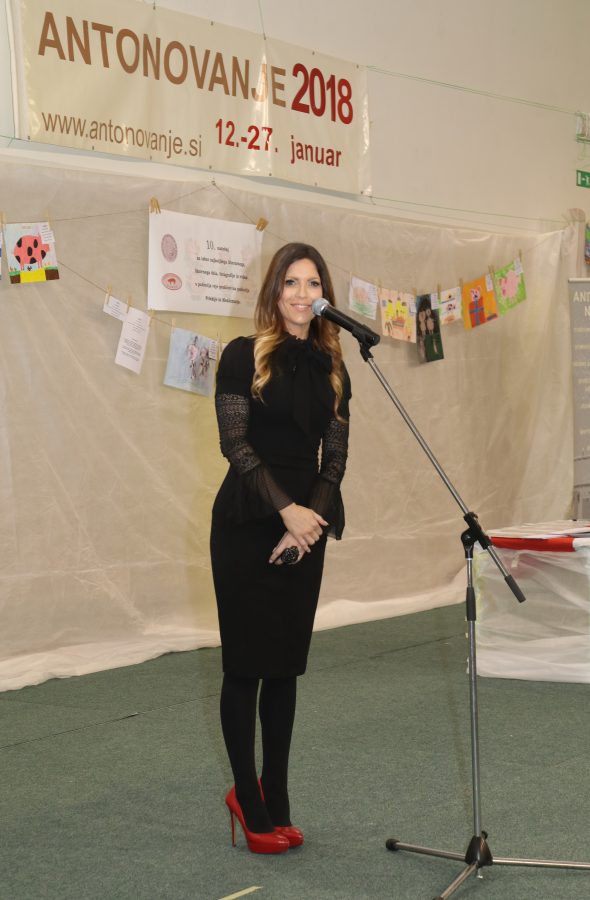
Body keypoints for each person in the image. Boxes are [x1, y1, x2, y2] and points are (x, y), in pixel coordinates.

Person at [210, 242, 351, 854]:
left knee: (286, 666)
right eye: (290, 282)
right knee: (247, 665)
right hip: (249, 518)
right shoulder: (243, 354)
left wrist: (308, 521)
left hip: (308, 525)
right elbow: (234, 443)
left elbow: (335, 458)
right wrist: (286, 512)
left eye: (312, 283)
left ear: (324, 296)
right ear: (274, 292)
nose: (301, 294)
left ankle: (278, 795)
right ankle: (247, 796)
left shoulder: (334, 366)